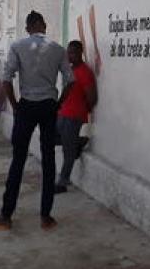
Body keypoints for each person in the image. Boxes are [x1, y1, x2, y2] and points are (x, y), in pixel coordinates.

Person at [0, 11, 74, 232]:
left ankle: (6, 215)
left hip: (27, 106)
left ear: (27, 28)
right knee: (49, 160)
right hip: (49, 106)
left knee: (18, 160)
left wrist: (15, 106)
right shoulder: (58, 49)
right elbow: (70, 81)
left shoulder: (17, 46)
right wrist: (59, 103)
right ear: (44, 25)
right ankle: (46, 217)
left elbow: (6, 79)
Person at [55, 40, 97, 194]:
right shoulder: (70, 70)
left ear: (80, 53)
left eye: (72, 52)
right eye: (68, 52)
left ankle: (62, 182)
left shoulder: (85, 72)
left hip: (74, 117)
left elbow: (92, 97)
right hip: (62, 114)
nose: (69, 55)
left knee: (68, 151)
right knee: (50, 139)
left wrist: (81, 112)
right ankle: (78, 143)